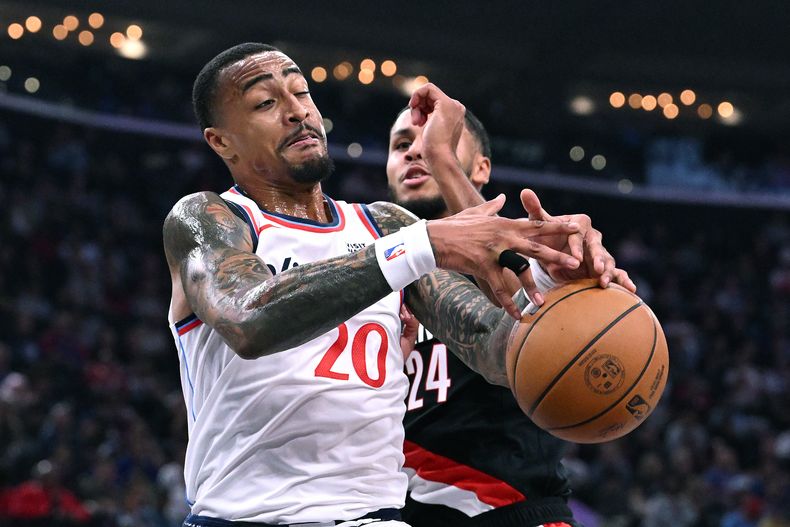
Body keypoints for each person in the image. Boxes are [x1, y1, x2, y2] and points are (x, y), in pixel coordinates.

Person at [163, 42, 621, 527]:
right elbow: (249, 317)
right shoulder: (208, 218)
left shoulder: (384, 225)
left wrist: (564, 292)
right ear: (221, 142)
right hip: (246, 514)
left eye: (301, 92)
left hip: (373, 516)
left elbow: (498, 346)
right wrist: (419, 244)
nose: (297, 111)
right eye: (266, 103)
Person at [387, 106, 631, 527]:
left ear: (481, 168)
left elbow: (528, 315)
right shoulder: (366, 266)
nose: (415, 152)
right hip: (396, 509)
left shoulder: (531, 260)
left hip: (507, 505)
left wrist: (442, 160)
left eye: (431, 141)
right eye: (402, 145)